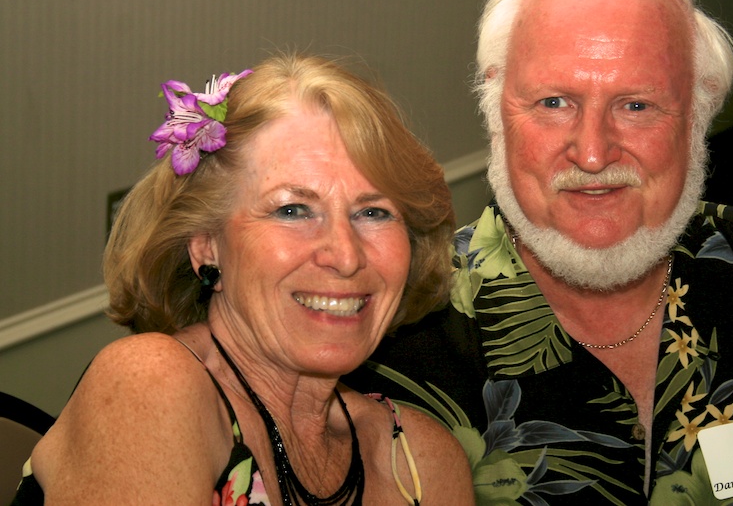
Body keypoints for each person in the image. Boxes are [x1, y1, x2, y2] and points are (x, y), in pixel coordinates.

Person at [345, 0, 733, 504]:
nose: (592, 153)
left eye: (636, 105)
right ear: (496, 110)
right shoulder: (395, 333)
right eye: (554, 102)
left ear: (698, 115)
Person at [12, 53, 475, 505]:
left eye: (373, 212)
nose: (346, 256)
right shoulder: (153, 383)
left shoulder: (422, 460)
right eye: (292, 210)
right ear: (206, 246)